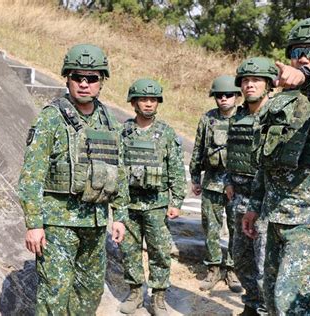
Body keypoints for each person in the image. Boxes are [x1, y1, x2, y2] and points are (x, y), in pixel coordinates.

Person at [243, 16, 310, 315]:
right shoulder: (281, 102)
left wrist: (307, 79)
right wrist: (255, 204)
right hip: (276, 214)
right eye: (297, 52)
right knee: (274, 300)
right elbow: (267, 160)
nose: (303, 58)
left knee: (295, 306)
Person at [18, 43, 129, 315]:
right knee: (54, 293)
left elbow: (120, 171)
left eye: (91, 78)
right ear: (67, 78)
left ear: (101, 82)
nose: (84, 84)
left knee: (90, 292)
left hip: (95, 222)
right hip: (58, 224)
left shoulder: (110, 122)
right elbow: (31, 175)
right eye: (77, 77)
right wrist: (34, 224)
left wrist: (121, 215)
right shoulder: (51, 118)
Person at [118, 79, 186, 315]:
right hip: (129, 204)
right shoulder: (123, 132)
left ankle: (158, 297)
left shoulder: (166, 133)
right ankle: (135, 292)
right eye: (143, 99)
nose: (148, 104)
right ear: (134, 102)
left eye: (153, 100)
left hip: (157, 205)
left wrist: (176, 201)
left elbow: (176, 168)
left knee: (159, 251)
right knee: (129, 250)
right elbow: (116, 167)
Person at [225, 57, 278, 315]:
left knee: (263, 263)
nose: (249, 85)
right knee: (241, 258)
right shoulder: (239, 116)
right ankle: (251, 303)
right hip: (239, 199)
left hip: (266, 203)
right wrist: (228, 180)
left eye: (256, 80)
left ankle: (264, 310)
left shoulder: (277, 114)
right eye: (245, 80)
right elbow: (232, 151)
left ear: (268, 84)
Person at [190, 75, 243, 293]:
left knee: (235, 228)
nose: (223, 99)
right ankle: (213, 268)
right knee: (211, 228)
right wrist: (195, 177)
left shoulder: (244, 118)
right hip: (212, 182)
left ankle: (231, 270)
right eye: (219, 95)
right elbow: (198, 148)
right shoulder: (207, 119)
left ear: (236, 96)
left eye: (228, 95)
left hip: (237, 186)